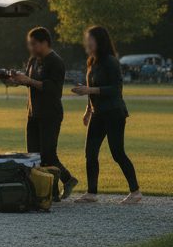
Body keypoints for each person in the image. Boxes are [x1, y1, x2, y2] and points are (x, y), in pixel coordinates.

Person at [69, 25, 142, 204]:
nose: (87, 42)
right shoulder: (91, 62)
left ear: (99, 42)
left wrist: (90, 89)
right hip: (97, 113)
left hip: (113, 113)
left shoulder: (110, 61)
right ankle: (91, 193)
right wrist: (88, 111)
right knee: (90, 153)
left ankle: (136, 192)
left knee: (117, 153)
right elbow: (91, 90)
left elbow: (116, 89)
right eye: (86, 39)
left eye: (90, 39)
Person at [8, 27, 77, 199]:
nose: (30, 47)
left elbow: (52, 88)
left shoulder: (55, 62)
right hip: (33, 113)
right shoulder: (34, 60)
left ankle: (68, 179)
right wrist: (15, 80)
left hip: (50, 114)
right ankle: (48, 193)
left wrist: (29, 80)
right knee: (34, 157)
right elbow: (30, 81)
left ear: (44, 43)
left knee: (48, 155)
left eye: (34, 44)